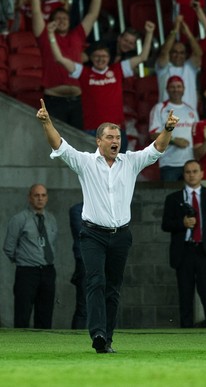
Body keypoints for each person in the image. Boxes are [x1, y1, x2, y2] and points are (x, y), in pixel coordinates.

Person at [36, 98, 179, 353]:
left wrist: (167, 130)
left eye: (118, 137)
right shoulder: (85, 162)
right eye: (111, 137)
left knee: (113, 289)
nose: (116, 141)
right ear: (98, 141)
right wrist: (47, 122)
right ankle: (98, 333)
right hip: (92, 234)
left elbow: (156, 149)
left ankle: (107, 339)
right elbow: (59, 144)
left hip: (121, 236)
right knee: (95, 282)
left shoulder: (131, 162)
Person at [47, 20, 155, 151]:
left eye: (104, 56)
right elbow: (59, 59)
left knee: (119, 171)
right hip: (93, 133)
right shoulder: (83, 72)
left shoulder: (118, 69)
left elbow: (143, 57)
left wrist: (149, 33)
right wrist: (51, 34)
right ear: (91, 58)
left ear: (109, 58)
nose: (100, 59)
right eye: (96, 56)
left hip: (116, 132)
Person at [31, 0, 105, 130]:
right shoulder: (45, 36)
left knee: (78, 149)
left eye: (65, 17)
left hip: (78, 101)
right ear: (51, 21)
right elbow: (36, 12)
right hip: (54, 100)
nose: (62, 20)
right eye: (58, 18)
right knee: (56, 148)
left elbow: (92, 14)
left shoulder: (77, 35)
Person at [161, 159, 206, 328]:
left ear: (202, 174)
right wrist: (181, 224)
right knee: (185, 293)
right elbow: (165, 224)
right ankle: (186, 330)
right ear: (183, 175)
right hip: (184, 252)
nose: (191, 175)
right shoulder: (173, 198)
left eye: (195, 171)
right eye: (188, 172)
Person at [3, 184, 57, 329]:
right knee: (23, 314)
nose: (40, 198)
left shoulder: (51, 219)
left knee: (45, 314)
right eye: (36, 195)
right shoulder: (19, 219)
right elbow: (9, 247)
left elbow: (51, 243)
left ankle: (44, 347)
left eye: (43, 195)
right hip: (27, 271)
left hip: (47, 270)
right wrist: (23, 260)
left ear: (47, 198)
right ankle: (20, 347)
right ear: (30, 197)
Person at [149, 75, 199, 181]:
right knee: (170, 195)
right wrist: (174, 140)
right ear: (167, 89)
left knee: (189, 196)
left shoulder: (191, 110)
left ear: (184, 89)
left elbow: (198, 135)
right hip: (169, 163)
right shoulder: (160, 108)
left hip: (190, 163)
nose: (176, 90)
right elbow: (153, 134)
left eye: (179, 86)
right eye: (172, 87)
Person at [155, 14, 202, 111]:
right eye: (174, 52)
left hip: (189, 117)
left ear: (186, 55)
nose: (178, 55)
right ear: (170, 54)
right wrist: (175, 30)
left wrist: (188, 33)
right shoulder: (163, 67)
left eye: (181, 53)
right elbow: (164, 52)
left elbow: (198, 53)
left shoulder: (190, 67)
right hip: (167, 116)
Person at [69, 202, 87, 329]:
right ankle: (76, 339)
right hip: (85, 263)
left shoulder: (107, 208)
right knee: (83, 306)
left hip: (105, 260)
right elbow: (84, 234)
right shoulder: (77, 210)